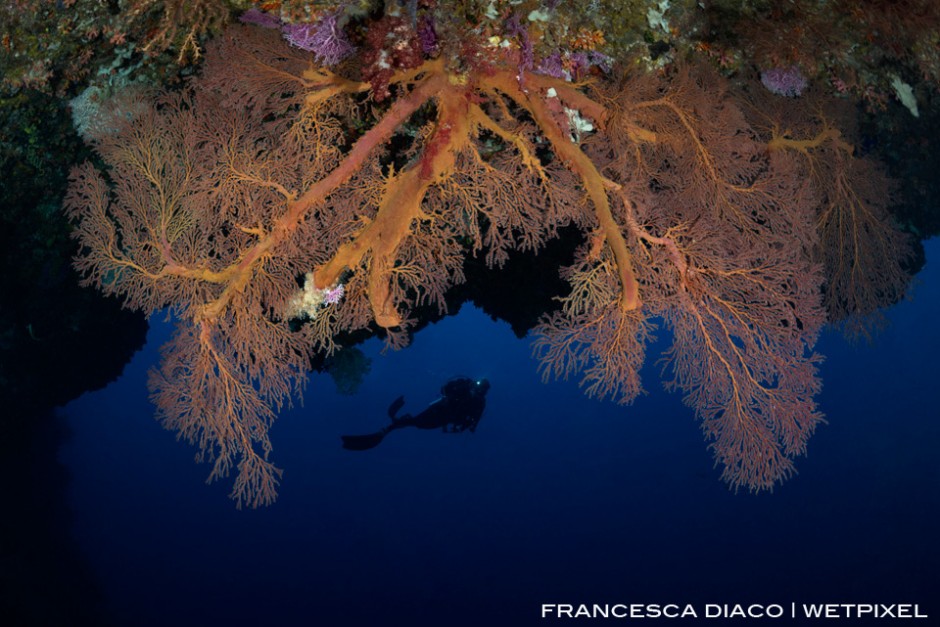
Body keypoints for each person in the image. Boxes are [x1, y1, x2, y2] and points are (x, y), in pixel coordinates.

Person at [341, 377, 490, 451]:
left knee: (416, 423)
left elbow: (471, 424)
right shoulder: (468, 390)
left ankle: (391, 426)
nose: (478, 389)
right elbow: (445, 389)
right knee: (416, 422)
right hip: (441, 414)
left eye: (480, 388)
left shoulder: (476, 399)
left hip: (442, 416)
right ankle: (391, 427)